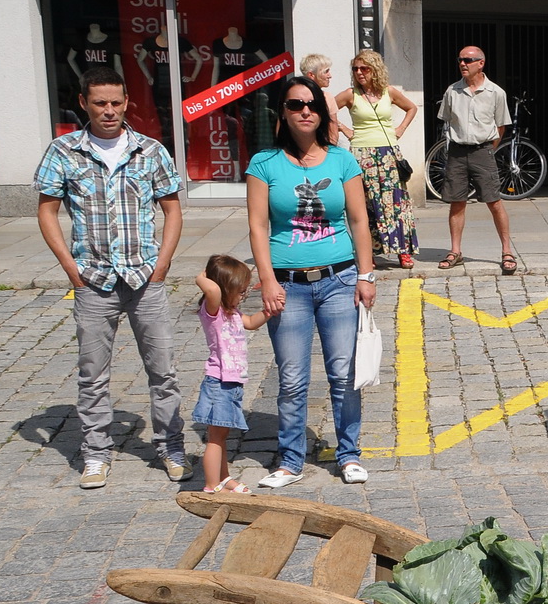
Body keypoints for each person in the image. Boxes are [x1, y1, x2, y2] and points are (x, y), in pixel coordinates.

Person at [36, 66, 190, 490]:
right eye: (100, 103)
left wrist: (162, 264)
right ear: (83, 103)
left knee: (163, 371)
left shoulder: (150, 151)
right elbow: (47, 209)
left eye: (116, 103)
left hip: (144, 277)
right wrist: (70, 268)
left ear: (126, 103)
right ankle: (96, 454)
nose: (109, 111)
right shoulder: (64, 151)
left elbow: (172, 209)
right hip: (93, 279)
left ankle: (171, 448)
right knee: (92, 375)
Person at [246, 75, 377, 488]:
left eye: (312, 104)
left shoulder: (341, 161)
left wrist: (366, 275)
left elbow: (359, 221)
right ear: (282, 113)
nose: (305, 111)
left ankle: (349, 454)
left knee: (343, 374)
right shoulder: (264, 163)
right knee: (291, 379)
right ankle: (290, 461)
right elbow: (257, 226)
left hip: (340, 280)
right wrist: (267, 280)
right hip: (288, 285)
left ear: (322, 112)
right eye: (295, 104)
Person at [437, 46, 519, 273]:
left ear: (481, 63)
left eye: (468, 60)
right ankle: (455, 251)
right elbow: (446, 120)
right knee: (457, 202)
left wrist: (489, 150)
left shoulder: (496, 93)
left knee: (494, 201)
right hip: (457, 151)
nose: (463, 64)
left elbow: (500, 126)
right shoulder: (452, 91)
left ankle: (507, 250)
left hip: (483, 151)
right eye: (460, 60)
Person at [336, 50, 420, 269]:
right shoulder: (351, 94)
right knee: (366, 204)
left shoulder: (388, 92)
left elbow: (411, 108)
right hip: (361, 154)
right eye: (355, 69)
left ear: (375, 70)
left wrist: (401, 129)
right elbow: (325, 110)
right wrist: (344, 129)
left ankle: (402, 251)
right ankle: (368, 253)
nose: (359, 72)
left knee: (395, 203)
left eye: (364, 68)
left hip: (388, 153)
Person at [192, 255, 268, 493]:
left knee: (221, 435)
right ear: (225, 289)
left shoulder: (232, 312)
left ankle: (223, 478)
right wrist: (200, 277)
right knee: (215, 438)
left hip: (232, 383)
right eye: (240, 291)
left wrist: (270, 311)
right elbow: (212, 290)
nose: (243, 296)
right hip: (219, 382)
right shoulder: (213, 311)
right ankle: (211, 485)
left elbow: (251, 322)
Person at [301, 55, 354, 142]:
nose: (330, 76)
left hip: (321, 147)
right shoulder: (294, 96)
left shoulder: (327, 97)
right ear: (311, 75)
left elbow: (333, 133)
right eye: (326, 71)